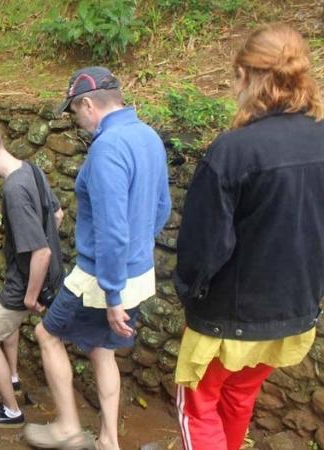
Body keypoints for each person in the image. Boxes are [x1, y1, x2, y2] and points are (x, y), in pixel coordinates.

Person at [173, 24, 324, 450]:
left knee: (196, 406)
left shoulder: (233, 150)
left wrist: (189, 293)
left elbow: (204, 247)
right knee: (239, 396)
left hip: (228, 317)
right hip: (292, 314)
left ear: (248, 77)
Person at [24, 66, 171, 450]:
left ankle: (68, 428)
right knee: (102, 349)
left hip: (100, 276)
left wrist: (112, 294)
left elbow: (111, 229)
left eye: (75, 111)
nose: (77, 120)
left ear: (88, 103)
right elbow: (161, 209)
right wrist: (134, 260)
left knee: (47, 334)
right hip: (139, 272)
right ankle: (108, 440)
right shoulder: (148, 136)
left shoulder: (107, 148)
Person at [0, 123, 65, 428]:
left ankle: (11, 411)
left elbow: (40, 252)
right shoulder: (32, 170)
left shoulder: (13, 189)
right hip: (49, 276)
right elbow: (56, 215)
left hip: (24, 285)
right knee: (12, 328)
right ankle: (14, 378)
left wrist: (31, 295)